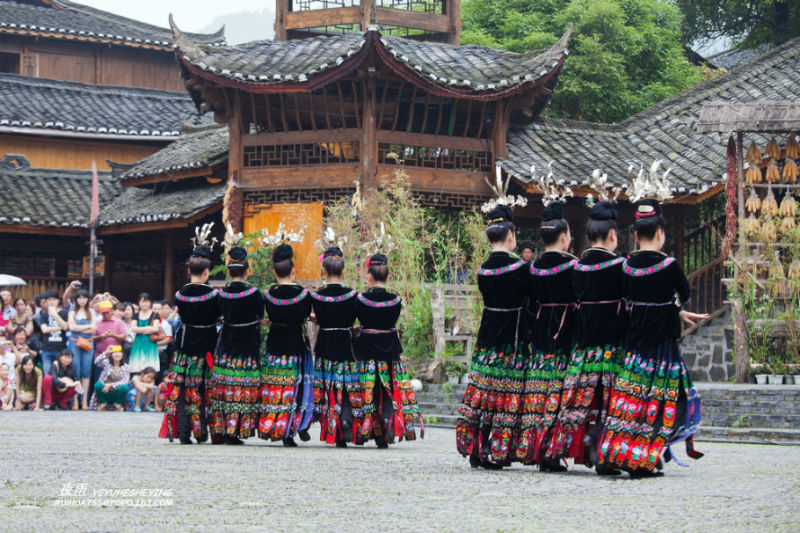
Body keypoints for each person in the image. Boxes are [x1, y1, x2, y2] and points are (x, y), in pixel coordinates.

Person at [596, 199, 708, 478]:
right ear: (660, 233)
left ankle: (615, 453)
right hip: (662, 346)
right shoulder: (669, 265)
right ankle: (643, 460)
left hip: (633, 344)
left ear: (635, 234)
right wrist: (674, 309)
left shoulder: (625, 265)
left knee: (628, 402)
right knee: (658, 401)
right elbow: (685, 296)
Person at [547, 201, 627, 475]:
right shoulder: (621, 266)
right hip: (613, 346)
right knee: (610, 402)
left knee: (576, 401)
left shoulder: (577, 268)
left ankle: (557, 449)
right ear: (613, 235)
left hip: (583, 348)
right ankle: (606, 453)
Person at [456, 206, 528, 469]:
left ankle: (475, 446)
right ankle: (496, 449)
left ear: (489, 238)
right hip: (512, 338)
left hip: (487, 338)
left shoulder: (483, 270)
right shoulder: (521, 269)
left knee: (482, 393)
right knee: (504, 395)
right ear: (511, 236)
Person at [521, 201, 577, 471]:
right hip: (566, 333)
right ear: (565, 237)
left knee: (539, 392)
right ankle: (553, 449)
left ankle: (535, 447)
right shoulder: (575, 267)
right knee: (560, 393)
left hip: (541, 331)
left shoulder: (533, 268)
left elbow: (530, 306)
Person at [355, 253, 422, 449]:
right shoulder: (396, 300)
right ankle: (386, 421)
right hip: (390, 352)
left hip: (367, 351)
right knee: (389, 390)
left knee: (370, 390)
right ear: (388, 277)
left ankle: (370, 427)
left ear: (369, 276)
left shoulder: (360, 299)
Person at [162, 238, 220, 444]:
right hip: (205, 346)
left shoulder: (180, 294)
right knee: (203, 391)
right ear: (206, 272)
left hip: (184, 347)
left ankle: (183, 431)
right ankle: (202, 430)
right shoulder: (214, 295)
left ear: (189, 271)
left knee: (184, 389)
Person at [259, 244, 314, 447]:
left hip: (275, 343)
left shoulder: (269, 295)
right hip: (296, 343)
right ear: (293, 271)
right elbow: (306, 315)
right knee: (297, 387)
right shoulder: (303, 295)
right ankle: (296, 425)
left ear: (274, 272)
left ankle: (276, 426)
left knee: (277, 387)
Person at [210, 245, 264, 445]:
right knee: (244, 386)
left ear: (228, 270)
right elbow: (261, 315)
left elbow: (218, 315)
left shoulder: (221, 294)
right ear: (247, 270)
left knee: (225, 386)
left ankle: (223, 429)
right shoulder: (255, 293)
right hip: (248, 344)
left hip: (227, 343)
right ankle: (240, 428)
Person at [311, 247, 360, 447]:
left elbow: (317, 317)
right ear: (343, 270)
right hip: (346, 343)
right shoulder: (353, 295)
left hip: (325, 343)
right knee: (347, 385)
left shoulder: (316, 296)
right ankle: (346, 418)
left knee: (329, 387)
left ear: (324, 270)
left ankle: (332, 427)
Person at [67, 289, 97, 410]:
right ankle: (75, 399)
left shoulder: (92, 312)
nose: (82, 300)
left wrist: (80, 329)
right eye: (79, 298)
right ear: (76, 300)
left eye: (84, 298)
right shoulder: (71, 312)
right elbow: (72, 327)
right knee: (76, 371)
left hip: (88, 343)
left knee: (86, 371)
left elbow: (94, 329)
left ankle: (84, 400)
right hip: (74, 343)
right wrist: (88, 326)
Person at [36, 291, 69, 375]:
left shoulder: (63, 313)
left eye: (54, 300)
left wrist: (55, 315)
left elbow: (65, 327)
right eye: (49, 300)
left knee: (59, 373)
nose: (51, 302)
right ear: (46, 302)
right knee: (47, 373)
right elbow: (44, 330)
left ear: (58, 301)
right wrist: (59, 327)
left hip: (60, 349)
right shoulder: (44, 315)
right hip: (47, 349)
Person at [128, 293, 161, 375]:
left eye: (147, 301)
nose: (145, 304)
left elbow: (155, 328)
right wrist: (148, 328)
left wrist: (141, 330)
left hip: (150, 343)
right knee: (137, 368)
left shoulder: (155, 314)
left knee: (150, 369)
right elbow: (134, 329)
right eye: (142, 301)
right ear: (139, 303)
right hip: (138, 343)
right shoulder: (136, 315)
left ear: (150, 303)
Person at [91, 345, 131, 411]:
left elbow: (125, 381)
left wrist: (110, 385)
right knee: (98, 385)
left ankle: (117, 404)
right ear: (111, 355)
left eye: (119, 352)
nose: (117, 354)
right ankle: (103, 403)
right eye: (115, 352)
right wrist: (106, 352)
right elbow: (96, 362)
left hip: (116, 392)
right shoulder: (107, 363)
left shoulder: (126, 367)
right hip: (105, 391)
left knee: (124, 387)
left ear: (122, 354)